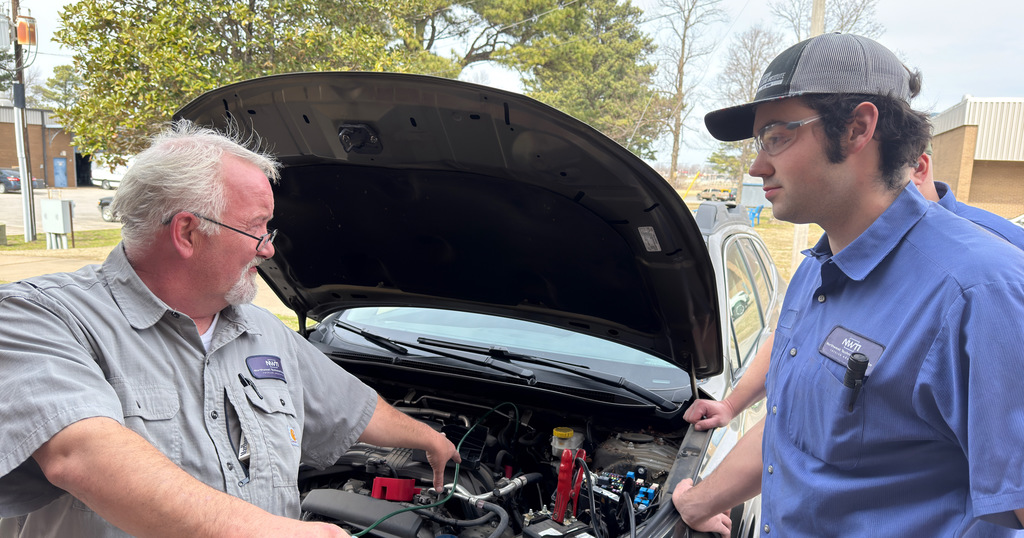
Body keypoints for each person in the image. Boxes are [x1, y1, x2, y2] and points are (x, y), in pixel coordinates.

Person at [0, 120, 461, 537]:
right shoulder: (39, 316)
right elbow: (82, 455)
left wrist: (427, 438)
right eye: (258, 228)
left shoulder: (260, 329)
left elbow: (350, 407)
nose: (268, 251)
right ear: (187, 232)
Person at [671, 33, 1024, 537]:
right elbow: (792, 434)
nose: (756, 166)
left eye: (777, 136)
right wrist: (697, 503)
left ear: (858, 128)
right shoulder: (817, 268)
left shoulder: (982, 293)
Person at [684, 146, 1024, 434]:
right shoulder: (829, 255)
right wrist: (731, 404)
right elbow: (793, 339)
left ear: (918, 168)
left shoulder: (993, 271)